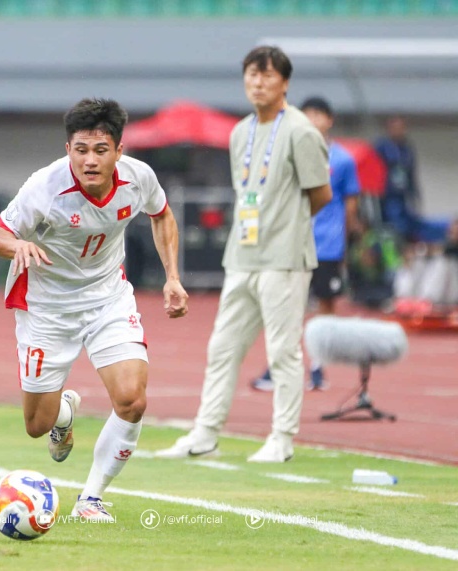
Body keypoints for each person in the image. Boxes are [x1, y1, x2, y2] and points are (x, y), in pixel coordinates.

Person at [0, 98, 188, 521]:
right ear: (68, 149)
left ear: (118, 150)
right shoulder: (43, 187)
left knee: (132, 400)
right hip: (47, 308)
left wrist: (172, 277)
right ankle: (63, 413)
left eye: (100, 150)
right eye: (81, 149)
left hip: (106, 297)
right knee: (36, 425)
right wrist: (17, 244)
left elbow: (162, 214)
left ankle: (91, 498)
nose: (90, 160)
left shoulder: (139, 178)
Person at [155, 46, 332, 463]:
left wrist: (285, 223)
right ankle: (205, 433)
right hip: (242, 256)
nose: (258, 83)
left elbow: (321, 194)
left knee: (282, 352)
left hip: (285, 259)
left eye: (267, 76)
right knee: (222, 348)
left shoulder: (302, 131)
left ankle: (282, 438)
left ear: (284, 82)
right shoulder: (239, 132)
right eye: (252, 75)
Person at [251, 96, 359, 392]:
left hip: (327, 246)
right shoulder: (288, 155)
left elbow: (350, 206)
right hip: (293, 243)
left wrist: (347, 245)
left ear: (329, 119)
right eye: (307, 114)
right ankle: (278, 368)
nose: (312, 119)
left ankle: (318, 367)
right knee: (287, 308)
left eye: (318, 114)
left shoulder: (343, 160)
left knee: (325, 306)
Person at [375, 116, 448, 244]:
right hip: (388, 195)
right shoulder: (382, 147)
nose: (398, 131)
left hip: (404, 194)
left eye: (401, 128)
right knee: (395, 224)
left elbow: (411, 173)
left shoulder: (407, 148)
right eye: (395, 128)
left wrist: (415, 193)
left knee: (412, 223)